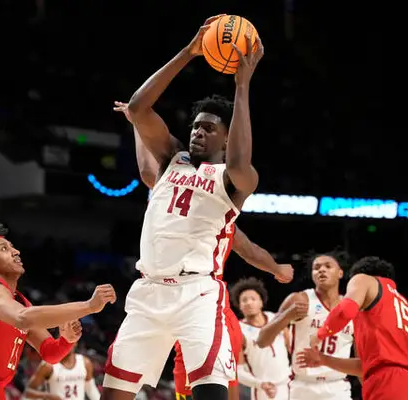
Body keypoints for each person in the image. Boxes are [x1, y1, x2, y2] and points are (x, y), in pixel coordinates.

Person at [102, 14, 264, 400]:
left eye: (209, 128)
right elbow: (139, 108)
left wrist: (242, 85)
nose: (198, 131)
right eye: (195, 125)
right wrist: (189, 52)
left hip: (197, 295)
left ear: (227, 138)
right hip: (148, 291)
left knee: (210, 393)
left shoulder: (234, 179)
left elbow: (240, 161)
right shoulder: (170, 158)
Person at [113, 101, 293, 400]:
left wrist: (276, 268)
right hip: (163, 293)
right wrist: (137, 123)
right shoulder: (174, 182)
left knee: (215, 380)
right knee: (185, 381)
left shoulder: (218, 207)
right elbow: (147, 171)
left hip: (203, 299)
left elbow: (248, 249)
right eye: (196, 127)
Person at [0, 218, 117, 400]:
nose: (16, 251)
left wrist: (66, 340)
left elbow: (50, 353)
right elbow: (23, 318)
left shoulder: (19, 303)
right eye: (4, 249)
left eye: (12, 247)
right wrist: (88, 306)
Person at [297, 256, 408, 400]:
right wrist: (323, 359)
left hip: (388, 382)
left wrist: (320, 334)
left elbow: (345, 311)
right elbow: (364, 366)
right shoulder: (404, 304)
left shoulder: (363, 279)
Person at [256, 252, 354, 400]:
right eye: (317, 268)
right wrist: (286, 316)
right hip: (303, 386)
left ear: (340, 273)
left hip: (338, 386)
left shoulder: (351, 307)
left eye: (328, 266)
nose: (321, 270)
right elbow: (262, 341)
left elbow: (361, 357)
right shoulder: (300, 299)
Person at [231, 277, 291, 400]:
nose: (249, 302)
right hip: (263, 390)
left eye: (253, 299)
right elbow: (238, 371)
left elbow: (292, 349)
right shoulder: (238, 330)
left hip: (289, 384)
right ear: (239, 306)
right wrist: (260, 384)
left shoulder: (276, 319)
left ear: (261, 302)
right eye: (244, 300)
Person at [23, 342, 101, 400]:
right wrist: (46, 396)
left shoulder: (85, 362)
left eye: (69, 340)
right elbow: (28, 392)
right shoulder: (48, 365)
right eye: (63, 341)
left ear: (75, 342)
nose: (66, 344)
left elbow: (91, 389)